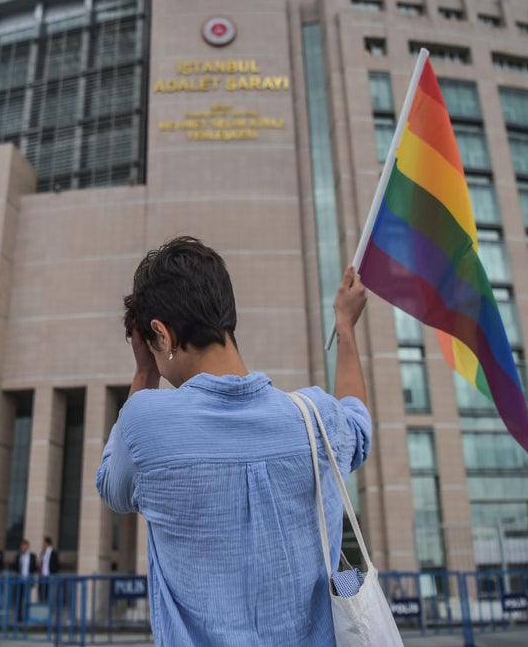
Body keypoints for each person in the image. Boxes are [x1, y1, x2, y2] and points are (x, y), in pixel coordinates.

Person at [96, 236, 371, 645]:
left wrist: (144, 376)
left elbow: (112, 487)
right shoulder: (317, 417)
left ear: (162, 335)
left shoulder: (145, 423)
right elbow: (359, 423)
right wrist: (345, 327)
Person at [10, 538, 38, 623]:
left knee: (27, 599)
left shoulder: (32, 556)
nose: (23, 547)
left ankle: (27, 616)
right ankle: (19, 617)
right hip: (20, 580)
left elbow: (34, 568)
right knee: (19, 599)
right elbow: (15, 567)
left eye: (25, 545)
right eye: (22, 546)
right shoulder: (18, 556)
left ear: (27, 546)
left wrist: (33, 579)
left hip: (28, 580)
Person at [38, 535, 59, 603]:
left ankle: (47, 606)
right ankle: (41, 604)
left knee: (47, 592)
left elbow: (56, 564)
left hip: (49, 575)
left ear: (47, 543)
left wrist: (53, 573)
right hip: (42, 575)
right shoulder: (43, 552)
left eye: (43, 542)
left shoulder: (53, 552)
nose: (42, 544)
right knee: (41, 592)